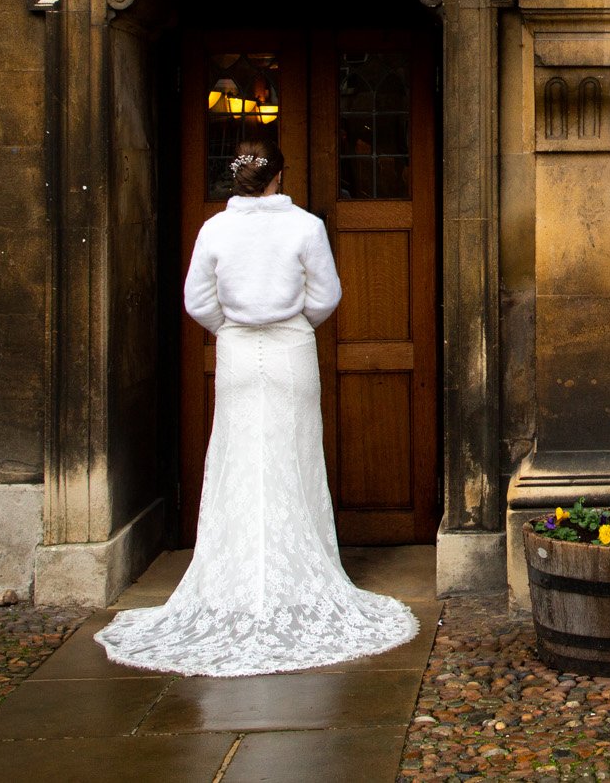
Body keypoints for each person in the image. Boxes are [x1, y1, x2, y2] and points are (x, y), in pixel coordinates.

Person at [96, 144, 417, 675]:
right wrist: (291, 325)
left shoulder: (215, 230)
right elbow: (327, 294)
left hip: (238, 351)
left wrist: (232, 328)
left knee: (238, 457)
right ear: (278, 176)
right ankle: (296, 582)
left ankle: (233, 581)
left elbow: (198, 300)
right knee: (292, 459)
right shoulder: (305, 226)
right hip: (291, 349)